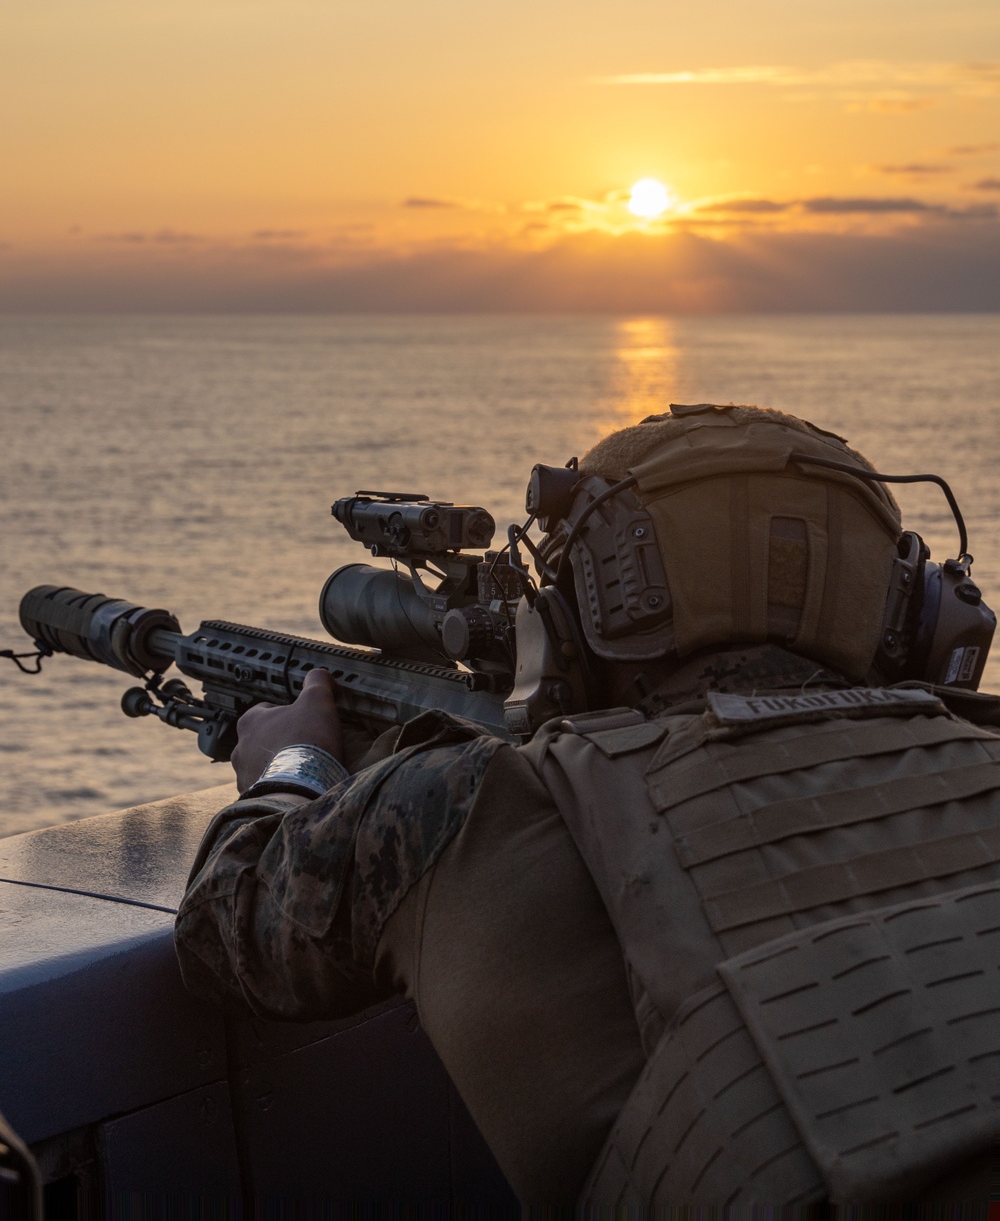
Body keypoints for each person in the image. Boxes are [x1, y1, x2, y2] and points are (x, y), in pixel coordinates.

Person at [175, 405, 1000, 1210]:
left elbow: (224, 931)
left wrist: (292, 763)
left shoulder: (468, 797)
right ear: (909, 618)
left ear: (565, 626)